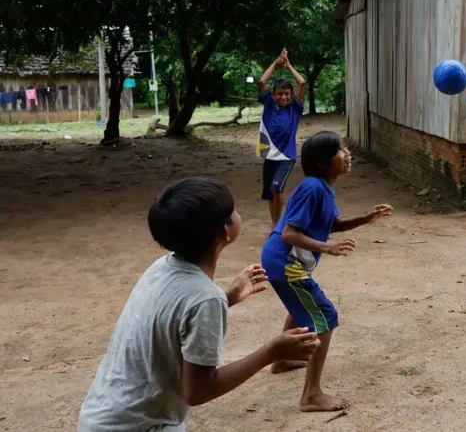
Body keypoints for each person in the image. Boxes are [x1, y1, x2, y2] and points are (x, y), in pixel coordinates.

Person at [78, 178, 321, 432]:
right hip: (141, 426)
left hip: (102, 416)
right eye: (232, 211)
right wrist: (271, 352)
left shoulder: (161, 267)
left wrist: (227, 298)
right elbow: (198, 390)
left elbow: (173, 319)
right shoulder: (205, 297)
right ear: (224, 232)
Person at [261, 131, 393, 412]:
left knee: (302, 306)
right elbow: (289, 234)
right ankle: (311, 395)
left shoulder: (322, 187)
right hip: (286, 261)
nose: (347, 154)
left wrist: (366, 218)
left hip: (284, 262)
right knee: (325, 317)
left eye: (345, 149)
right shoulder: (312, 188)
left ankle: (282, 359)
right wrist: (327, 247)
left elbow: (331, 224)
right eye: (340, 150)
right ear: (323, 162)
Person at [258, 48, 306, 227]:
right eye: (279, 93)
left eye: (287, 94)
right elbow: (263, 81)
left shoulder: (295, 108)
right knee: (271, 193)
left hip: (286, 157)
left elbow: (301, 83)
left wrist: (289, 66)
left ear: (291, 95)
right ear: (273, 95)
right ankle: (274, 225)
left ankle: (278, 226)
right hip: (270, 156)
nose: (283, 97)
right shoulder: (269, 104)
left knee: (277, 188)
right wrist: (276, 63)